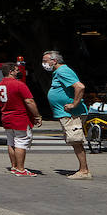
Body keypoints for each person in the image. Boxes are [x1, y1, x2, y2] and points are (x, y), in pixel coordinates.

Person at [43, 50, 91, 179]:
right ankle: (82, 169)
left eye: (45, 61)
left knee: (76, 140)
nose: (44, 64)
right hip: (66, 113)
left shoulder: (63, 71)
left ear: (54, 61)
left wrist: (73, 104)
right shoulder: (58, 72)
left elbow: (80, 87)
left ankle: (84, 171)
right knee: (74, 141)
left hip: (72, 114)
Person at [0, 62, 41, 175]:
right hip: (20, 117)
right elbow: (29, 101)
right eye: (17, 70)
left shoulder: (0, 85)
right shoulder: (19, 84)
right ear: (11, 72)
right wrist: (37, 116)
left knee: (11, 142)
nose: (19, 72)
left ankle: (14, 166)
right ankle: (21, 169)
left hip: (6, 116)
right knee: (21, 142)